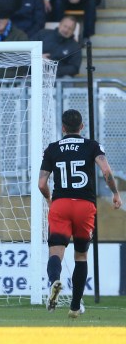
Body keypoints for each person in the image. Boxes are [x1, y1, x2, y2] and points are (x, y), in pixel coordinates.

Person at [39, 109, 122, 318]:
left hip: (61, 204)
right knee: (81, 256)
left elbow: (41, 184)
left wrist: (50, 199)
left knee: (56, 252)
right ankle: (75, 307)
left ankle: (53, 282)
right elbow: (106, 171)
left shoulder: (52, 149)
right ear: (82, 127)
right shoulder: (92, 146)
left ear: (63, 128)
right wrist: (115, 193)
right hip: (84, 205)